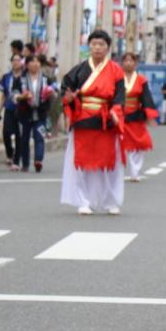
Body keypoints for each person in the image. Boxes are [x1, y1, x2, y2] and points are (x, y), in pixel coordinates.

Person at [59, 30, 126, 215]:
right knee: (82, 163)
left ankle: (110, 201)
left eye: (101, 44)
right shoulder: (80, 69)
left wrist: (115, 111)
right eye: (94, 44)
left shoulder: (116, 70)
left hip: (106, 120)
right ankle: (84, 201)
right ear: (89, 46)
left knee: (108, 163)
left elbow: (120, 96)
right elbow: (66, 88)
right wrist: (69, 98)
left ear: (108, 48)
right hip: (83, 119)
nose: (97, 48)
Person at [120, 51, 158, 181]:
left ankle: (135, 172)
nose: (128, 63)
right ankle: (116, 173)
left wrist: (150, 116)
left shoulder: (141, 80)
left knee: (138, 145)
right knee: (117, 144)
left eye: (131, 61)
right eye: (126, 61)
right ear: (122, 63)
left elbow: (146, 98)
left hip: (135, 115)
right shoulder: (117, 78)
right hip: (119, 115)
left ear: (135, 63)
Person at [12, 54, 53, 172]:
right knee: (24, 139)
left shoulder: (45, 79)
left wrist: (50, 93)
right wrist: (22, 96)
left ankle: (38, 160)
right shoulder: (20, 79)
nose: (35, 64)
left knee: (39, 136)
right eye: (32, 62)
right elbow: (14, 94)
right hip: (24, 113)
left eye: (37, 62)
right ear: (27, 64)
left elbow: (53, 91)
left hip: (40, 113)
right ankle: (25, 164)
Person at [0, 54, 24, 170]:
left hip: (22, 109)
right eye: (14, 60)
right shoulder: (6, 77)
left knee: (19, 135)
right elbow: (4, 95)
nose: (16, 62)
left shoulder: (25, 76)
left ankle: (16, 160)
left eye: (18, 60)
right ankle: (9, 153)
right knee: (6, 132)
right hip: (9, 108)